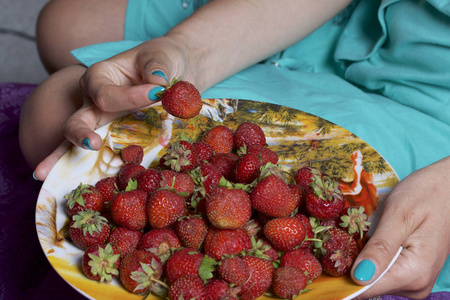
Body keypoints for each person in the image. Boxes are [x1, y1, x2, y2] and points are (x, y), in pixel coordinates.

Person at [19, 0, 450, 299]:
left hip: (430, 110)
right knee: (64, 22)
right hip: (342, 22)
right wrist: (190, 51)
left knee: (52, 107)